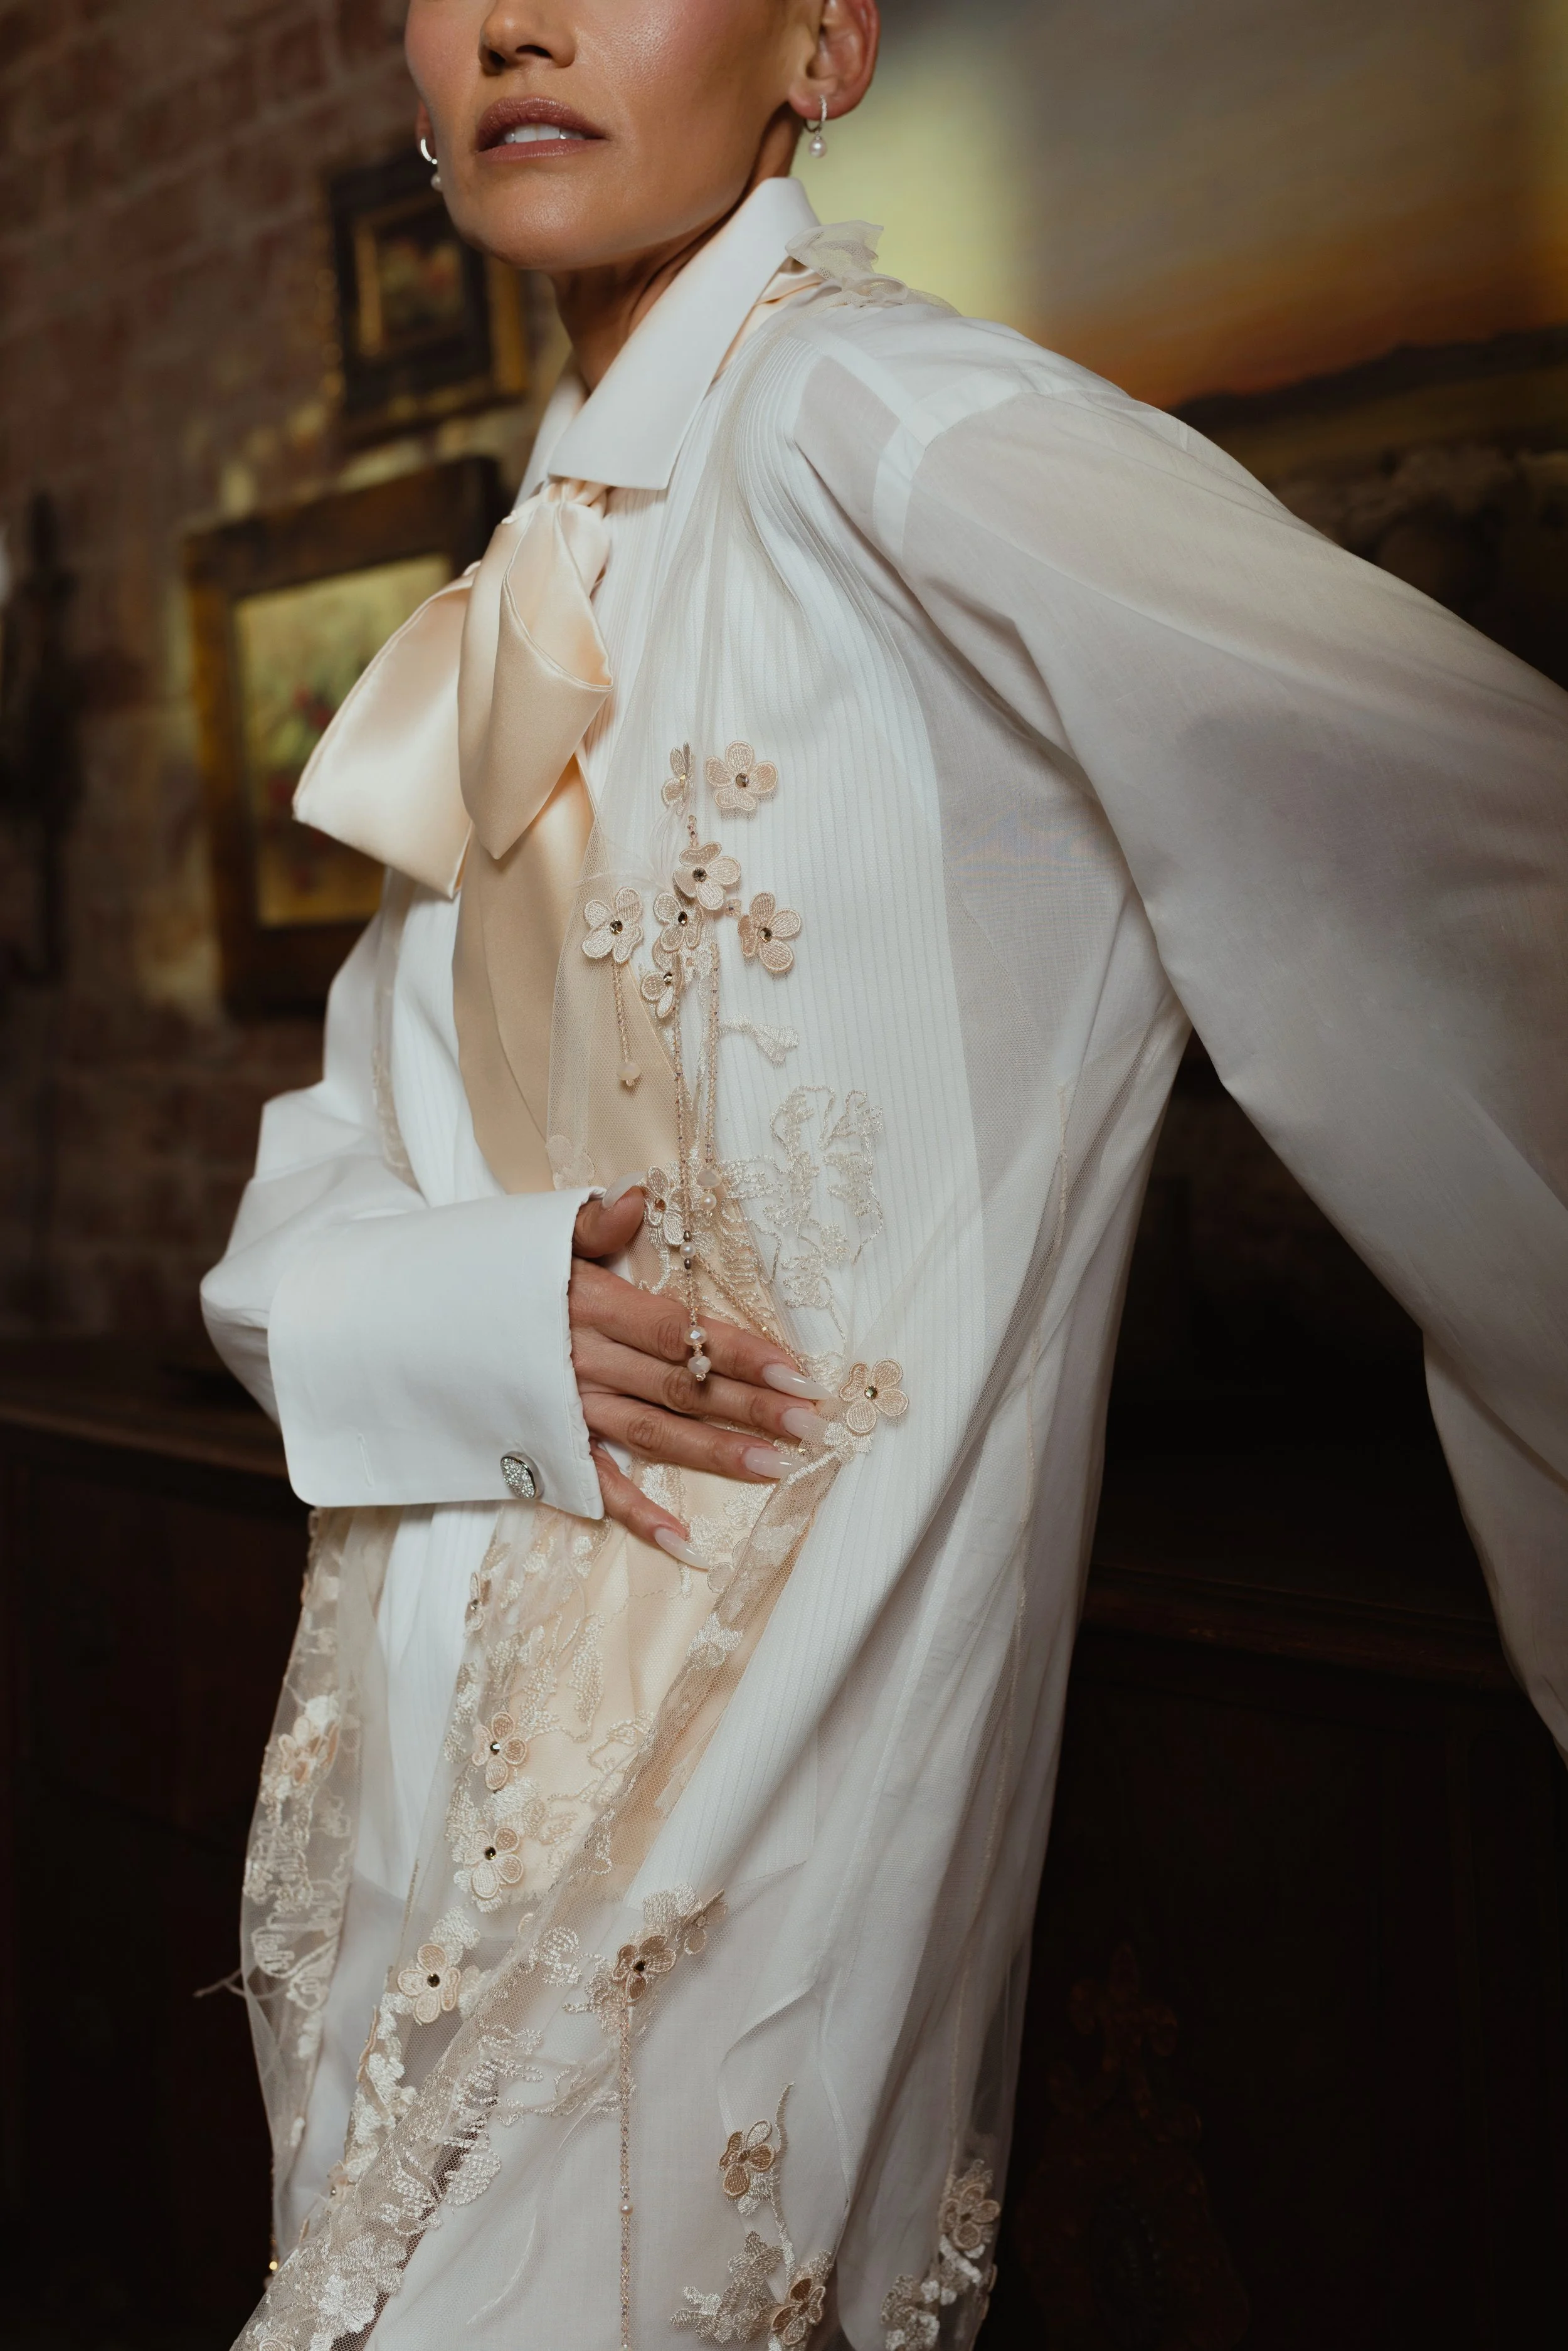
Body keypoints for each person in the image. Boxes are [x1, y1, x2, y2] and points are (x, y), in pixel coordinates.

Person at [201, 1, 1568, 2343]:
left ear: (821, 47)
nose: (515, 17)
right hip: (413, 1747)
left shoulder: (889, 426)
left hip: (766, 1786)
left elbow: (1486, 844)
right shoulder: (536, 543)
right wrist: (489, 1307)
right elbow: (334, 1155)